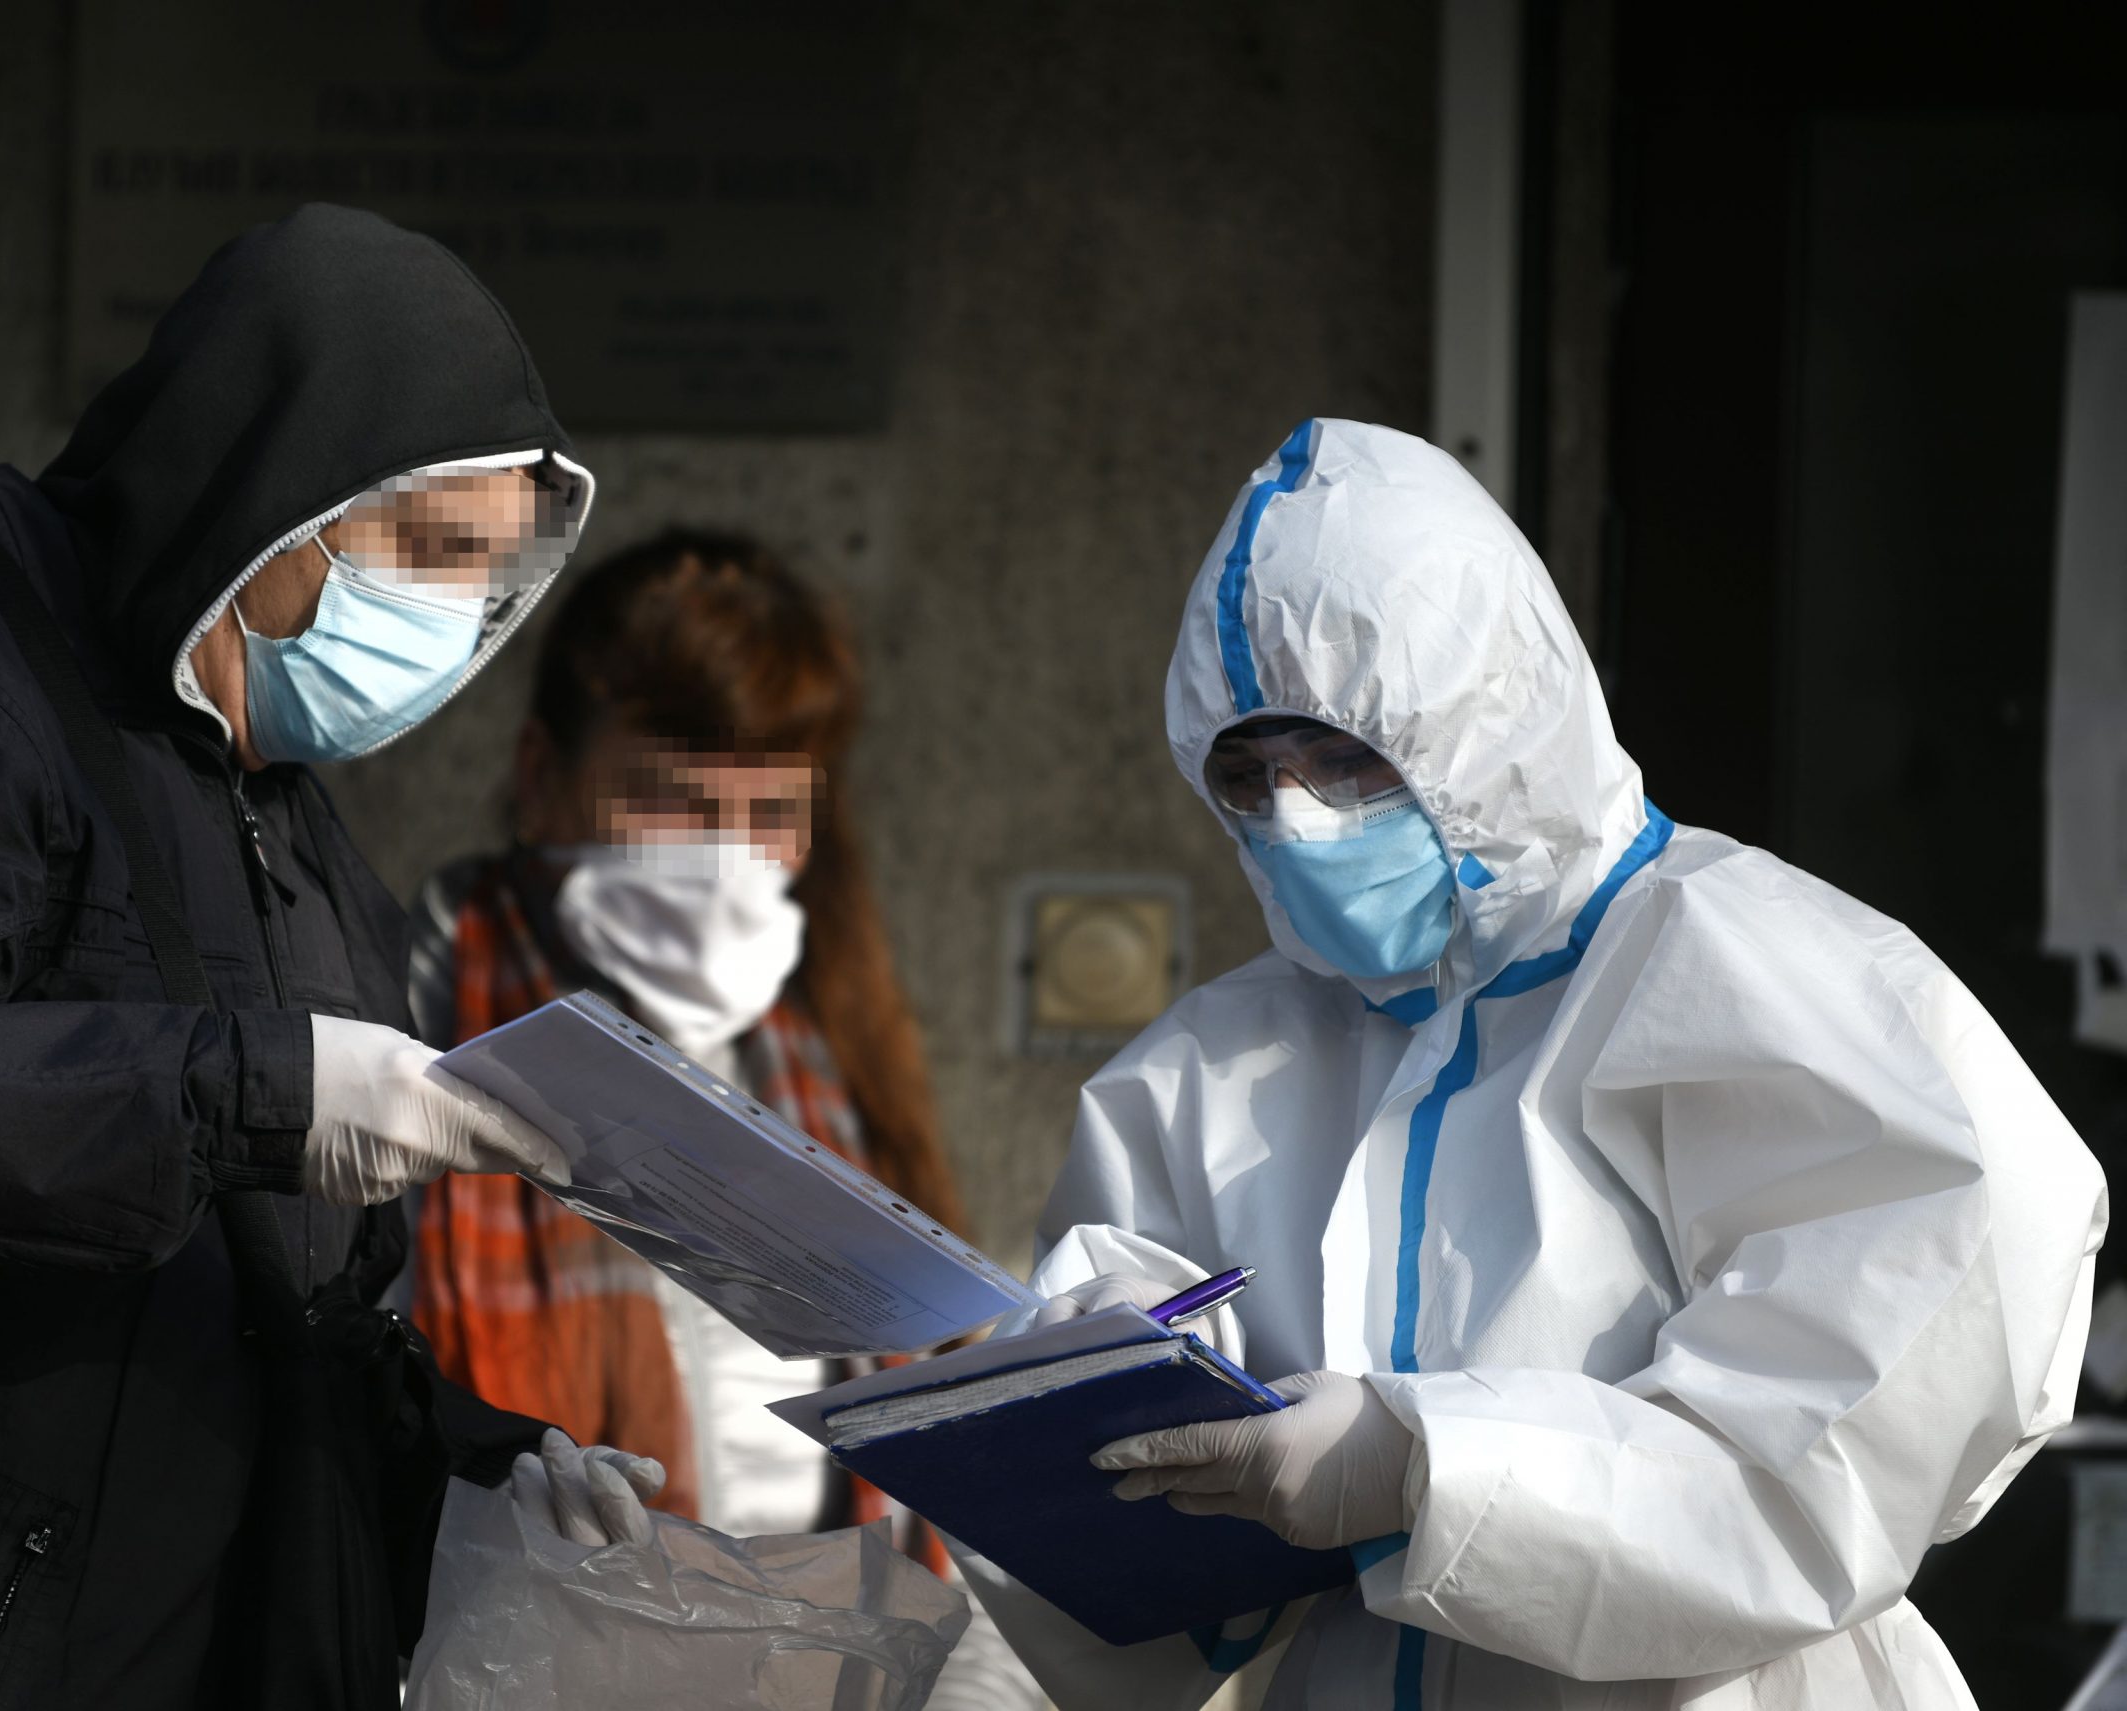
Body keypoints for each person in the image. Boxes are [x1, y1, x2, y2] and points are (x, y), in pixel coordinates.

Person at [0, 203, 661, 1711]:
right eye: (424, 549)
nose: (452, 616)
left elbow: (276, 1306)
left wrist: (479, 1457)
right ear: (268, 486)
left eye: (487, 575)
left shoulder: (273, 798)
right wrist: (254, 1091)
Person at [960, 418, 2108, 1710]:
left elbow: (1845, 1448)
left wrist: (1425, 1467)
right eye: (1250, 773)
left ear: (1487, 718)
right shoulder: (1217, 1064)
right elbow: (1124, 1462)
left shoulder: (1768, 981)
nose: (1296, 815)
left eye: (1346, 756)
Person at [398, 528, 1042, 1709]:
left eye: (767, 814)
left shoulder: (825, 1046)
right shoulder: (409, 1029)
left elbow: (939, 1400)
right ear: (542, 776)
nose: (724, 865)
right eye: (671, 801)